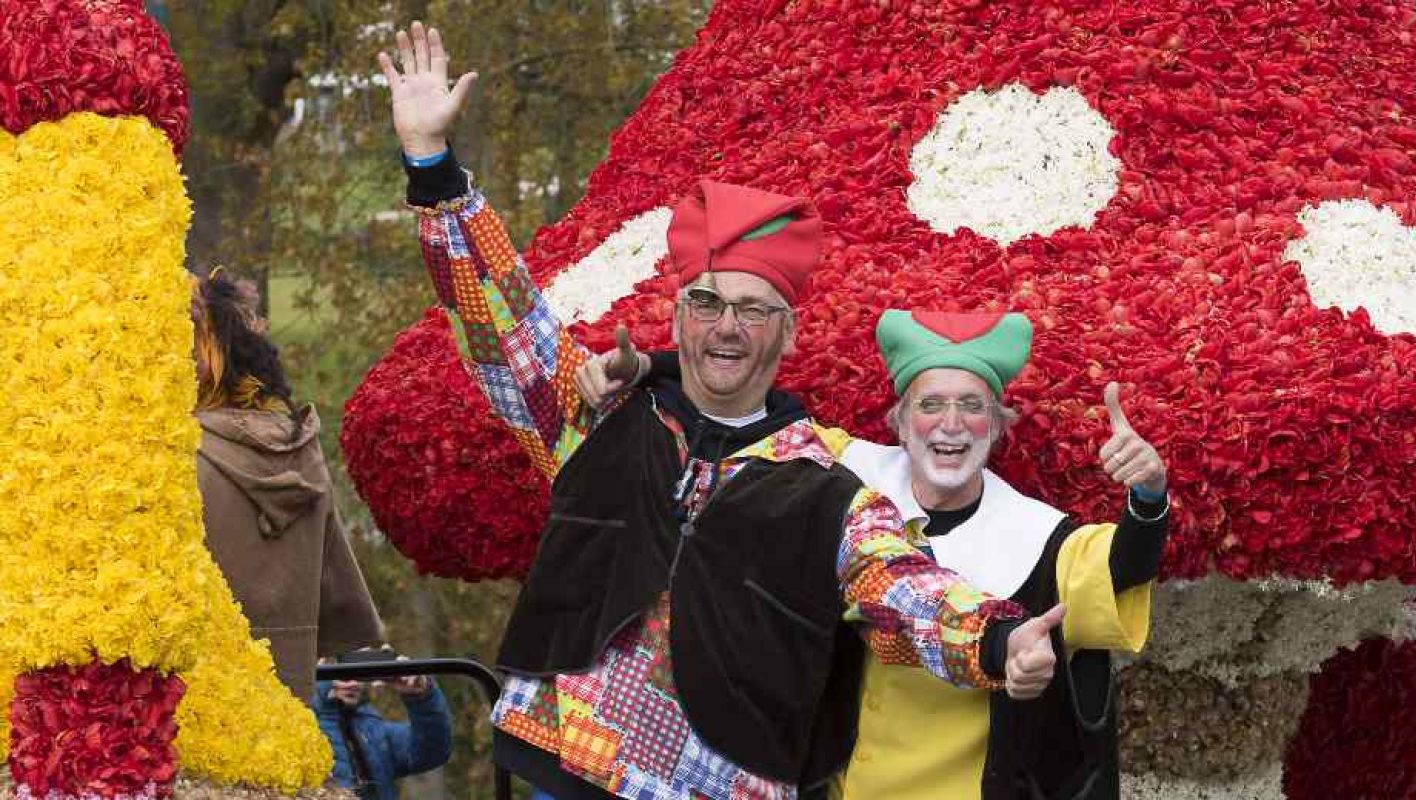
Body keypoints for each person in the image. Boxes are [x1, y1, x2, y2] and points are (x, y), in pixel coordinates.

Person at [377, 22, 1068, 800]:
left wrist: (1001, 638)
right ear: (676, 319)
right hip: (560, 762)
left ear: (787, 331)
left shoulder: (825, 489)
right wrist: (432, 170)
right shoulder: (598, 411)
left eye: (752, 308)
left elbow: (904, 586)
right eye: (706, 303)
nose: (727, 325)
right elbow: (502, 322)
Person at [581, 309, 1170, 800]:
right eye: (931, 404)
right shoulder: (837, 468)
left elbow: (1122, 564)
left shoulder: (1038, 534)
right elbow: (738, 415)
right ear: (900, 420)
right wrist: (650, 368)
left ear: (996, 425)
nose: (951, 424)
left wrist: (1147, 494)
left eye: (972, 406)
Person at [193, 268, 386, 701]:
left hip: (197, 702)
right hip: (286, 695)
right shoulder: (302, 446)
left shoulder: (183, 455)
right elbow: (336, 589)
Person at [312, 669, 454, 800]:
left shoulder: (371, 728)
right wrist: (323, 700)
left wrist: (422, 696)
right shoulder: (298, 731)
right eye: (339, 672)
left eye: (356, 670)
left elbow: (433, 751)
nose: (353, 682)